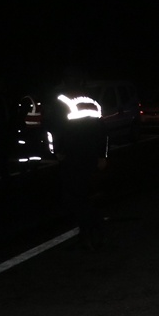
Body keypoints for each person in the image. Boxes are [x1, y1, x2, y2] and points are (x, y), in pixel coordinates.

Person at [45, 67, 108, 242]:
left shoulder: (61, 101)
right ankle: (94, 224)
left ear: (64, 82)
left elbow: (53, 130)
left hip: (72, 154)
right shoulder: (93, 101)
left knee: (73, 193)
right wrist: (102, 155)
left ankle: (86, 229)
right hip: (91, 154)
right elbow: (102, 131)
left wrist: (56, 151)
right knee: (87, 190)